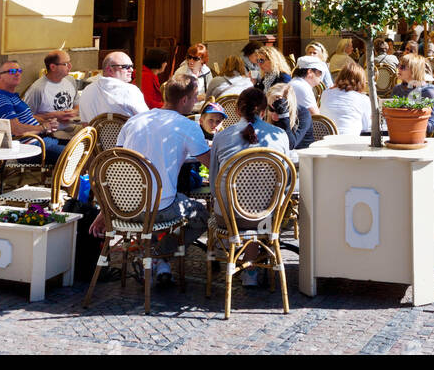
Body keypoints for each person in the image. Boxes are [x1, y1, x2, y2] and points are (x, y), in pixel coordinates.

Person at [101, 76, 210, 287]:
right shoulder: (186, 126)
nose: (196, 101)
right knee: (202, 215)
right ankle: (158, 255)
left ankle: (155, 259)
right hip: (160, 208)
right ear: (185, 100)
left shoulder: (134, 121)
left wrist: (103, 210)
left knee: (164, 196)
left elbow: (115, 168)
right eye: (195, 97)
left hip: (124, 208)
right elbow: (211, 165)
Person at [210, 84, 290, 286]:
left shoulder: (221, 137)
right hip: (266, 217)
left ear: (237, 110)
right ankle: (251, 269)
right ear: (264, 111)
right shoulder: (279, 136)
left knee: (230, 203)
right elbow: (285, 180)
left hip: (229, 218)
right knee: (262, 205)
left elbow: (213, 183)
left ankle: (240, 261)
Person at [0, 60, 64, 164]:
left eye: (19, 70)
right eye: (11, 71)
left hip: (40, 141)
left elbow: (28, 117)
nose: (17, 73)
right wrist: (43, 128)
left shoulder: (13, 96)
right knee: (76, 154)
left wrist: (47, 121)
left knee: (83, 148)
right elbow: (16, 130)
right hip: (28, 148)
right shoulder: (1, 99)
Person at [78, 51, 148, 124]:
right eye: (126, 67)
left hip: (95, 135)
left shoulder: (87, 90)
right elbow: (145, 120)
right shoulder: (130, 90)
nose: (131, 70)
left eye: (131, 66)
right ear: (110, 70)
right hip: (127, 135)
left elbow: (85, 124)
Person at [23, 50, 79, 124]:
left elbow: (78, 104)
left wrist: (74, 111)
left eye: (69, 62)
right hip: (50, 131)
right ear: (53, 67)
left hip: (72, 126)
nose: (70, 66)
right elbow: (25, 118)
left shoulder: (70, 80)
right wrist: (51, 116)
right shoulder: (37, 89)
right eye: (65, 64)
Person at [319, 61, 372, 136]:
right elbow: (366, 126)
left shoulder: (325, 93)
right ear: (361, 81)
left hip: (324, 139)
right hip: (348, 141)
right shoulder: (363, 99)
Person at [392, 54, 434, 135]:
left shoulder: (428, 93)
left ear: (414, 71)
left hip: (415, 137)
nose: (398, 69)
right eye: (398, 65)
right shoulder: (397, 89)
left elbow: (431, 127)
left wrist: (407, 119)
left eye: (402, 67)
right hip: (396, 134)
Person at [266, 82, 314, 150]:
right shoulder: (271, 111)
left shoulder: (303, 114)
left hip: (301, 155)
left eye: (276, 106)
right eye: (270, 107)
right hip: (279, 153)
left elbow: (290, 145)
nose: (273, 111)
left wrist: (283, 116)